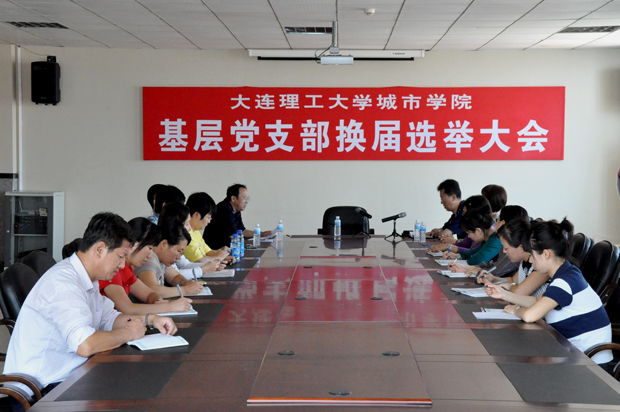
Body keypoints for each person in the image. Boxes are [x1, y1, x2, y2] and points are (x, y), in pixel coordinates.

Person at [3, 212, 177, 400]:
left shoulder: (88, 279)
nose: (122, 266)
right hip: (44, 391)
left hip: (71, 376)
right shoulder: (64, 284)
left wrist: (149, 319)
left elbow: (110, 318)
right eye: (120, 257)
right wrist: (129, 333)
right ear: (100, 249)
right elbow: (84, 345)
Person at [486, 219, 613, 368]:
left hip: (591, 364)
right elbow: (537, 301)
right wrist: (504, 295)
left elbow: (530, 315)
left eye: (533, 255)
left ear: (546, 254)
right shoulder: (567, 273)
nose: (531, 261)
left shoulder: (564, 281)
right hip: (576, 355)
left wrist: (516, 310)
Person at [99, 217, 193, 315]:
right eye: (149, 248)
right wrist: (169, 307)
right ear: (133, 244)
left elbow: (149, 294)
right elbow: (127, 308)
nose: (150, 255)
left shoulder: (126, 268)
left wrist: (157, 301)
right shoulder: (113, 269)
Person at [478, 218, 550, 297]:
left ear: (521, 247)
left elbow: (519, 292)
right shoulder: (523, 262)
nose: (504, 251)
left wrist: (507, 286)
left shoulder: (540, 267)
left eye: (506, 248)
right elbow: (513, 280)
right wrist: (493, 279)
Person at [134, 217, 204, 298]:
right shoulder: (149, 258)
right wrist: (185, 290)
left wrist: (185, 283)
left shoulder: (161, 259)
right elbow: (152, 290)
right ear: (164, 244)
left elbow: (174, 277)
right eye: (179, 251)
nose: (179, 258)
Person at [203, 183, 271, 249]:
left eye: (248, 199)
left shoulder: (236, 210)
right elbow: (234, 235)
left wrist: (262, 234)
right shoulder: (224, 208)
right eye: (244, 198)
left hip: (225, 249)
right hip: (213, 250)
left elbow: (242, 231)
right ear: (233, 198)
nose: (246, 202)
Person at [184, 192, 232, 262]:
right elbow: (199, 260)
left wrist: (224, 256)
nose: (209, 221)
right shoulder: (187, 234)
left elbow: (208, 252)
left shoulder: (196, 231)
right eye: (208, 217)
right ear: (196, 215)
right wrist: (219, 257)